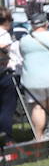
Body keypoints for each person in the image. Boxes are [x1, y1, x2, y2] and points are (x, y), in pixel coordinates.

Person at [17, 13, 49, 141]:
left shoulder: (24, 40)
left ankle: (38, 138)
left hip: (33, 79)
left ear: (32, 25)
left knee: (37, 108)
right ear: (46, 24)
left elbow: (22, 55)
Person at [0, 8, 19, 148]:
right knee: (7, 108)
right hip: (5, 74)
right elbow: (6, 54)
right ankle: (7, 139)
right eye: (11, 20)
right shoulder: (4, 34)